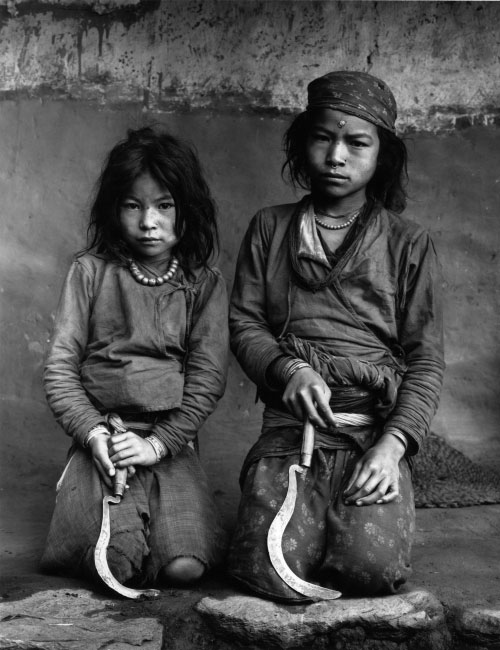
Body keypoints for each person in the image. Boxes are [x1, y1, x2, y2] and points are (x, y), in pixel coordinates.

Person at [227, 71, 444, 601]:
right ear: (304, 143)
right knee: (266, 567)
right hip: (290, 431)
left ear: (381, 156)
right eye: (323, 137)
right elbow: (244, 322)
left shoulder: (407, 243)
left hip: (371, 434)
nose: (336, 155)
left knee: (369, 572)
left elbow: (425, 360)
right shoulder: (270, 228)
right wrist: (289, 369)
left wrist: (392, 447)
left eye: (356, 142)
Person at [40, 127, 228, 589]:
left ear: (188, 210)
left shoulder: (204, 284)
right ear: (114, 208)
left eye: (164, 206)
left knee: (185, 567)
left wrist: (156, 445)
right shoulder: (90, 272)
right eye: (133, 205)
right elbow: (60, 368)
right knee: (116, 563)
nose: (149, 221)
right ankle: (80, 492)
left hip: (170, 442)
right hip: (104, 438)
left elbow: (206, 382)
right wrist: (94, 434)